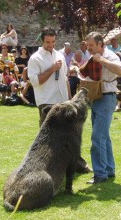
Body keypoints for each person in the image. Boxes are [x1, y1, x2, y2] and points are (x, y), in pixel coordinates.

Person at [28, 27, 91, 173]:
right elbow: (35, 82)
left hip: (63, 101)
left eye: (53, 41)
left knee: (71, 135)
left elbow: (65, 79)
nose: (51, 45)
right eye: (48, 42)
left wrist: (70, 99)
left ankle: (77, 164)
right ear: (42, 40)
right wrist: (51, 69)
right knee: (47, 140)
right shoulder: (35, 58)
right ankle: (48, 169)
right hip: (47, 102)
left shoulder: (60, 55)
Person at [84, 31, 121, 184]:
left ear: (100, 44)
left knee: (97, 137)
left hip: (107, 98)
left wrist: (101, 60)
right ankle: (109, 169)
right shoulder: (92, 56)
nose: (88, 48)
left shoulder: (110, 56)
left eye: (91, 45)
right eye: (87, 45)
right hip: (97, 98)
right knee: (104, 137)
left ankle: (100, 174)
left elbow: (120, 71)